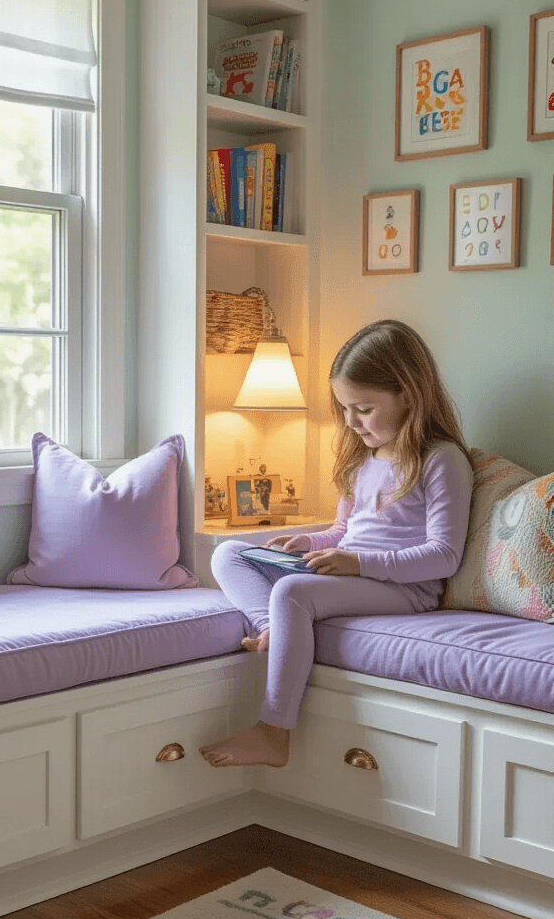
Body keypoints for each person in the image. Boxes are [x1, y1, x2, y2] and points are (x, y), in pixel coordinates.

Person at [199, 319, 474, 770]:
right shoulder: (362, 459)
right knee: (228, 552)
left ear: (408, 393)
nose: (350, 421)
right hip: (355, 572)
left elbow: (444, 555)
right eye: (345, 408)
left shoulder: (440, 459)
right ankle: (272, 627)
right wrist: (307, 541)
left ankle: (273, 734)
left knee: (293, 591)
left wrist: (359, 564)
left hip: (406, 590)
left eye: (363, 408)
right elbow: (344, 533)